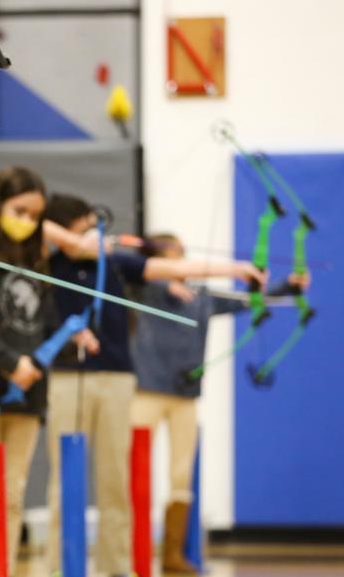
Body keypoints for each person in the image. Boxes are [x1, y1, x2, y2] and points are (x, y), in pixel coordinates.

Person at [43, 194, 265, 577]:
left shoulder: (115, 264)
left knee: (115, 482)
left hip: (116, 377)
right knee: (64, 481)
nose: (94, 234)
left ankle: (117, 568)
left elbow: (169, 266)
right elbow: (38, 227)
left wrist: (236, 267)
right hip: (67, 378)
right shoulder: (48, 261)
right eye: (84, 225)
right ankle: (56, 568)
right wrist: (75, 242)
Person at [0, 167, 94, 576]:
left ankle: (0, 569)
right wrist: (11, 365)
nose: (27, 221)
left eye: (35, 215)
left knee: (11, 495)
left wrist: (69, 339)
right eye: (19, 210)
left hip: (27, 393)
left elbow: (40, 326)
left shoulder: (35, 259)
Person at [128, 233, 306, 574]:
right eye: (170, 258)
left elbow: (246, 300)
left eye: (182, 257)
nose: (180, 265)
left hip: (184, 395)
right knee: (135, 472)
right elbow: (128, 267)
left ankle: (172, 556)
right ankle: (133, 555)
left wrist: (288, 287)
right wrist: (151, 264)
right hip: (145, 391)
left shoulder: (202, 298)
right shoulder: (145, 291)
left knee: (181, 476)